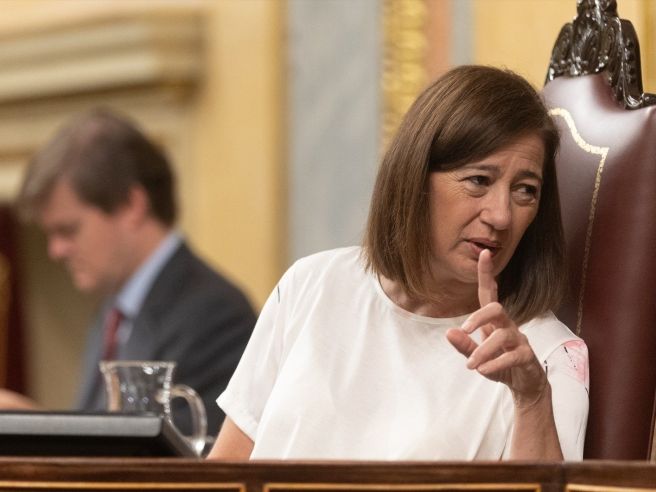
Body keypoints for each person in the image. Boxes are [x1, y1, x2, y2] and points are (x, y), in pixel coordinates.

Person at [207, 65, 589, 461]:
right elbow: (225, 473)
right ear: (415, 177)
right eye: (479, 180)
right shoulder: (311, 284)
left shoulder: (547, 355)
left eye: (525, 190)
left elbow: (544, 487)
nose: (501, 216)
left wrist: (531, 398)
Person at [1, 108, 257, 437]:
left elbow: (179, 457)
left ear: (132, 205)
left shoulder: (216, 315)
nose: (56, 250)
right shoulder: (115, 310)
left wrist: (42, 428)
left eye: (68, 230)